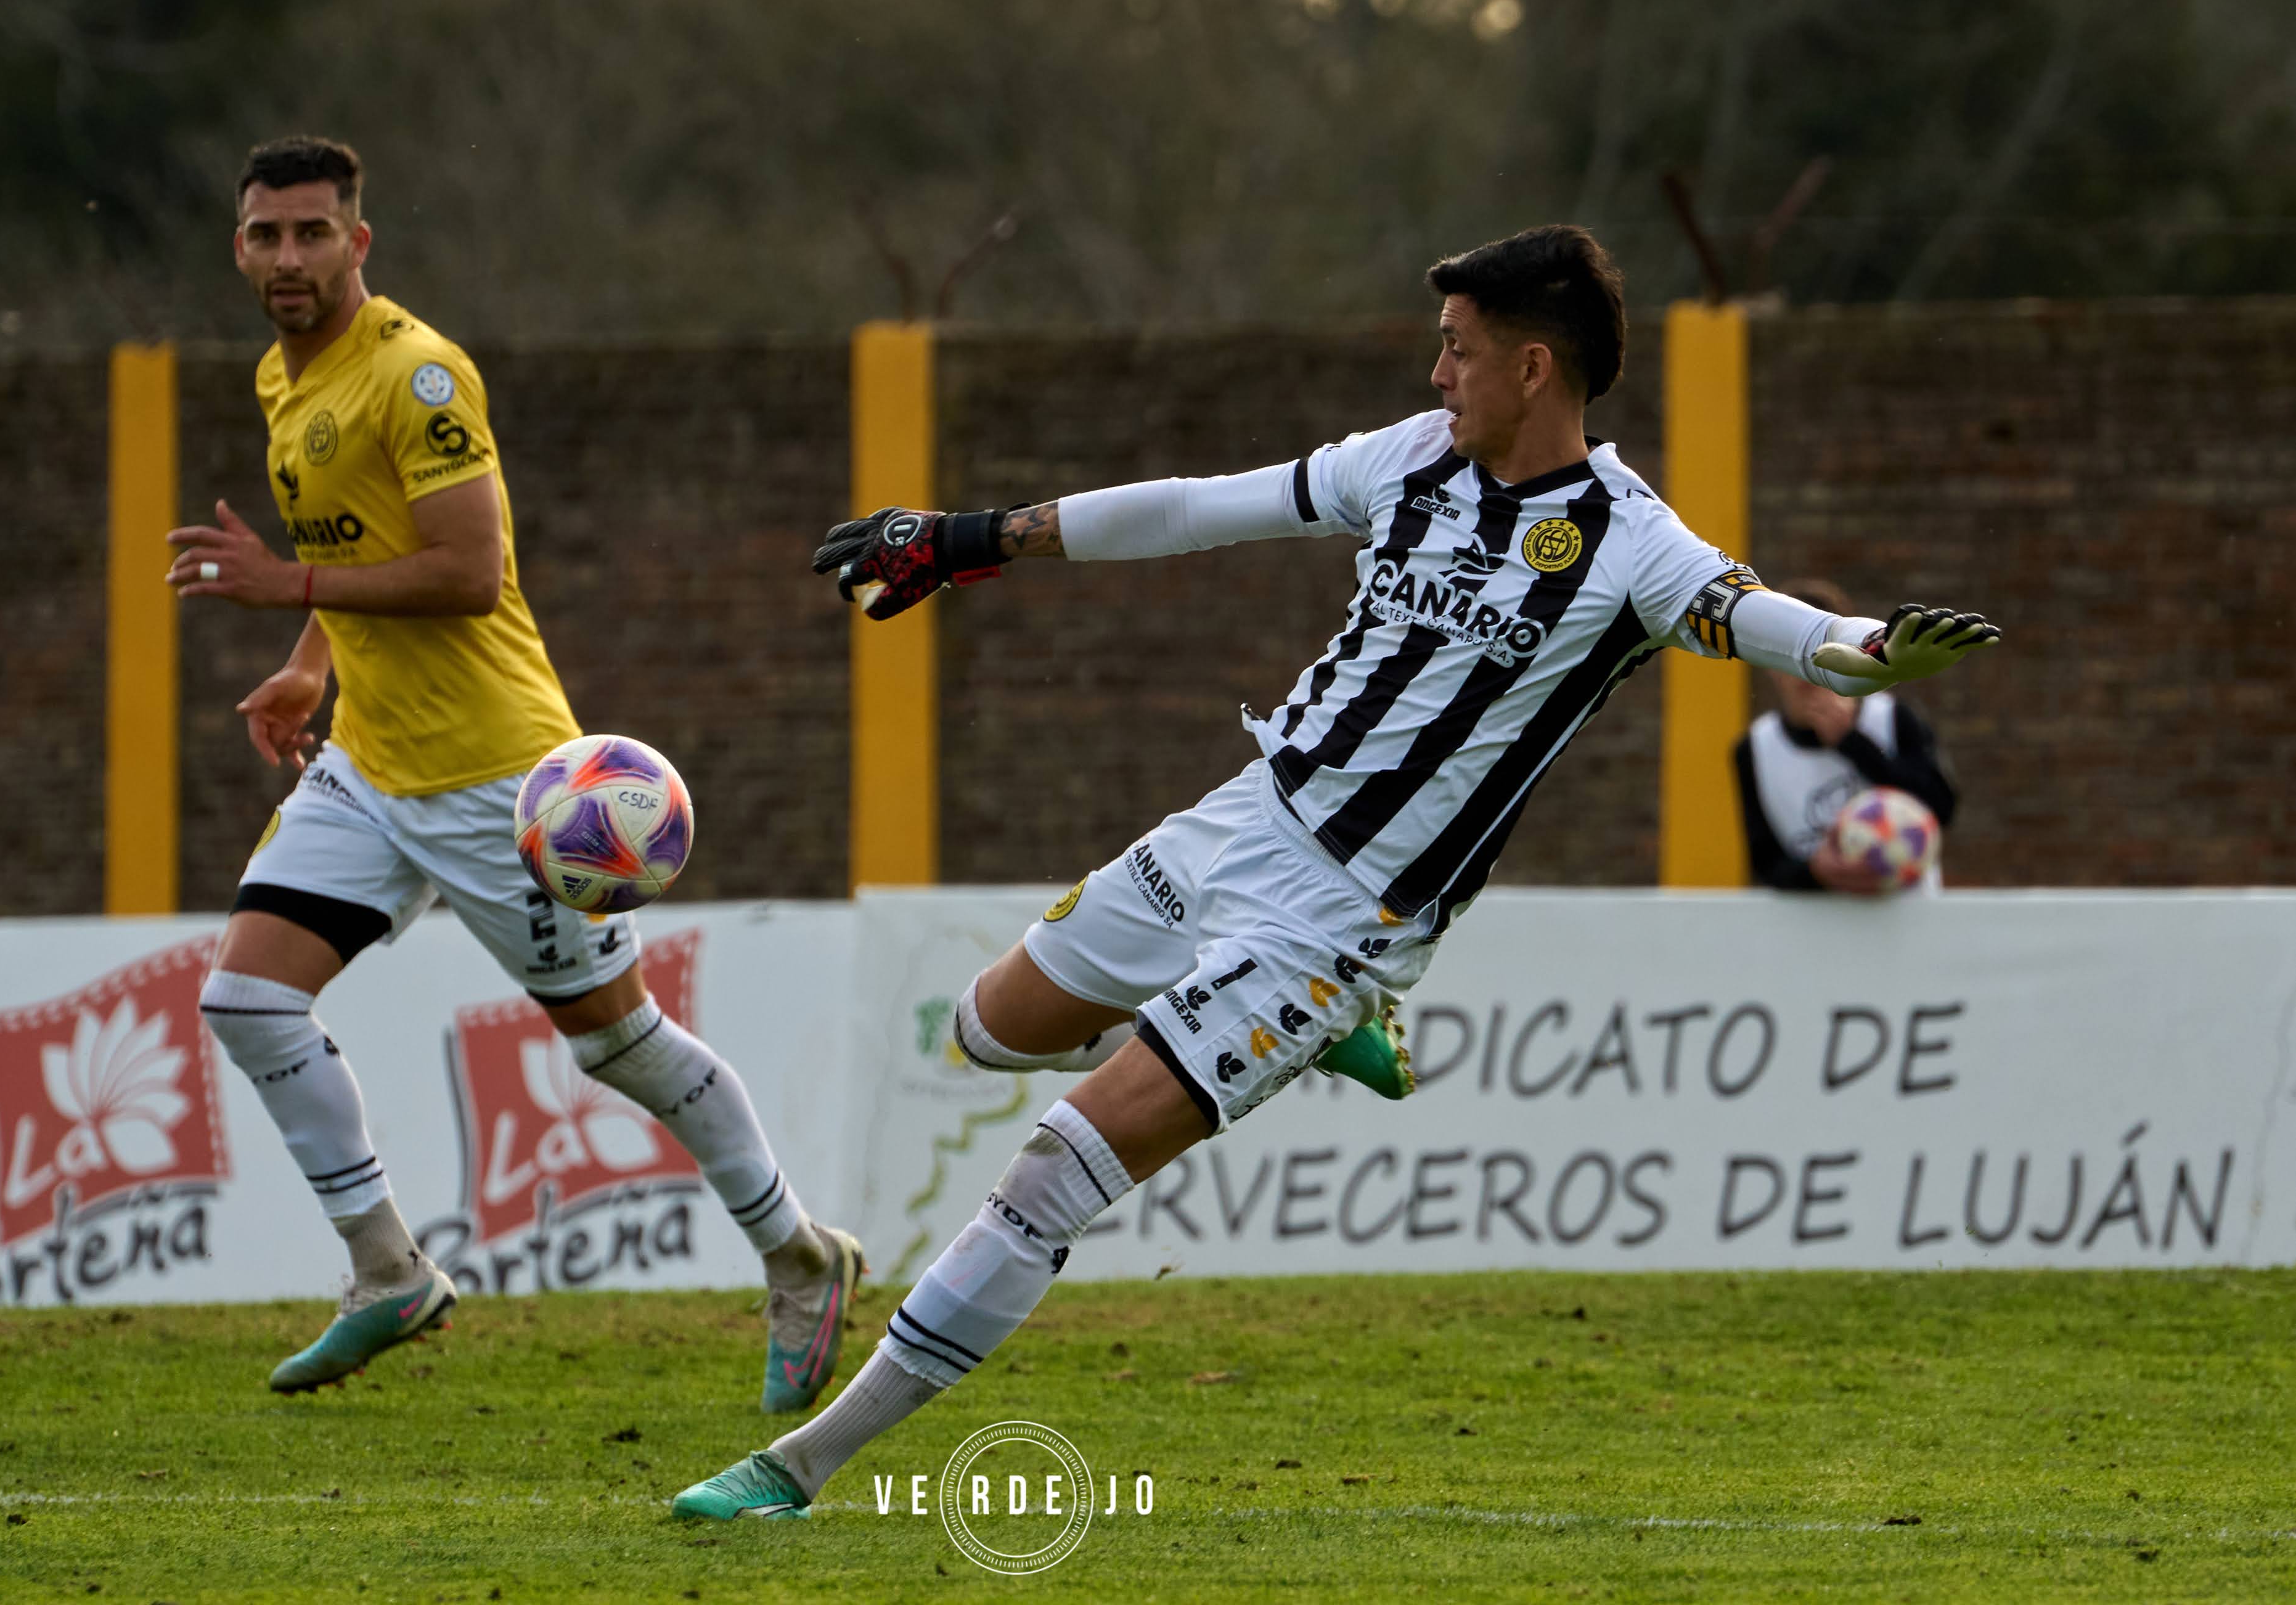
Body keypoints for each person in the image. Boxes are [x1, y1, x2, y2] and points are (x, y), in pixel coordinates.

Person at [672, 224, 2001, 1519]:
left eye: (1456, 350)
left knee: (1051, 1172)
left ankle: (800, 1468)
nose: (1436, 375)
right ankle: (1304, 1036)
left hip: (1340, 923)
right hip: (1237, 822)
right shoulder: (1411, 460)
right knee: (985, 1028)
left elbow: (1782, 627)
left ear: (1533, 369)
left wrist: (1878, 650)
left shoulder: (1631, 546)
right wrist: (967, 538)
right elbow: (1201, 509)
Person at [167, 136, 859, 1400]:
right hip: (371, 768)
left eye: (313, 233)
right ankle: (388, 1272)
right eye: (266, 234)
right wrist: (310, 662)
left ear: (358, 243)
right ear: (238, 245)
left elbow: (467, 569)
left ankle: (800, 1258)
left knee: (621, 1048)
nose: (288, 257)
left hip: (501, 787)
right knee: (245, 999)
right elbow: (360, 541)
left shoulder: (419, 376)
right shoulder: (284, 376)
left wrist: (288, 583)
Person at [1736, 577, 1960, 893]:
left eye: (1821, 651)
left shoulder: (1891, 718)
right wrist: (1817, 872)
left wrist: (1852, 743)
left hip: (1907, 922)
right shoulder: (1756, 748)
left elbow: (1940, 808)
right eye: (1792, 652)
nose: (1807, 667)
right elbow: (1766, 863)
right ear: (1770, 661)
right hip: (1817, 934)